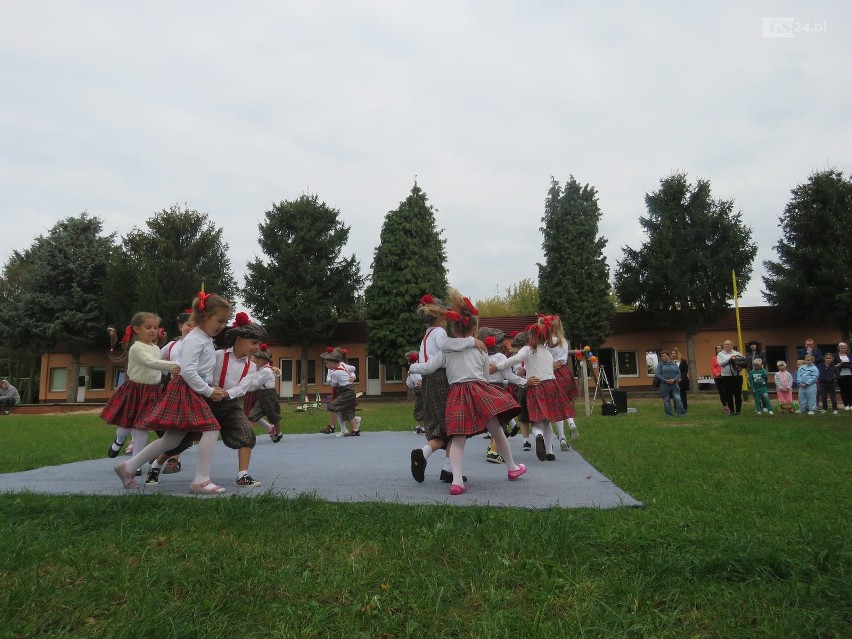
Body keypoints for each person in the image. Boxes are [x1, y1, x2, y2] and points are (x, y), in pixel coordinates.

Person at [115, 292, 231, 494]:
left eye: (225, 321)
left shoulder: (204, 339)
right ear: (204, 317)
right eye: (220, 320)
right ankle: (200, 480)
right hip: (186, 389)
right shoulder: (196, 339)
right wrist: (208, 391)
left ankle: (129, 467)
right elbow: (187, 371)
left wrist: (211, 386)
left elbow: (202, 369)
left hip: (190, 388)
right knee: (211, 429)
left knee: (173, 438)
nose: (222, 325)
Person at [438, 290, 526, 495]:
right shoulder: (481, 349)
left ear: (453, 327)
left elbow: (443, 347)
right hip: (479, 391)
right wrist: (471, 344)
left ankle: (457, 482)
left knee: (458, 440)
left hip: (457, 394)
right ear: (475, 329)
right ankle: (512, 468)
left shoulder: (447, 348)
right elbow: (485, 375)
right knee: (497, 431)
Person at [407, 294, 479, 484]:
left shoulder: (426, 336)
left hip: (428, 380)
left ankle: (439, 464)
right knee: (454, 427)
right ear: (440, 317)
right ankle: (437, 462)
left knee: (443, 428)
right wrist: (471, 341)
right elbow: (447, 346)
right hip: (441, 379)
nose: (448, 321)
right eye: (446, 318)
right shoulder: (439, 333)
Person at [101, 313, 180, 473]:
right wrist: (173, 365)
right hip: (135, 390)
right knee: (126, 426)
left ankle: (134, 463)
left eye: (155, 328)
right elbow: (150, 362)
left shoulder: (156, 348)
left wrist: (168, 375)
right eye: (148, 327)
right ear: (137, 329)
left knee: (142, 428)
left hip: (152, 392)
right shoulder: (136, 348)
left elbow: (157, 369)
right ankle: (119, 440)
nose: (153, 331)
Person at [492, 321, 572, 462]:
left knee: (536, 423)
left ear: (531, 337)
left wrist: (497, 367)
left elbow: (514, 360)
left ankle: (538, 435)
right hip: (551, 386)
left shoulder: (527, 350)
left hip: (535, 387)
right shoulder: (547, 353)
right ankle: (550, 452)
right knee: (547, 422)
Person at [541, 315, 579, 449]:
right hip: (565, 373)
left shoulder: (546, 343)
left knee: (556, 408)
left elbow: (544, 360)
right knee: (565, 402)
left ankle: (562, 437)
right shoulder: (564, 341)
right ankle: (571, 423)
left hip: (552, 374)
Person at [246, 344, 283, 441]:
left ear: (265, 360)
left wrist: (244, 385)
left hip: (269, 395)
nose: (256, 360)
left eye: (259, 358)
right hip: (261, 395)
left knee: (273, 415)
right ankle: (247, 436)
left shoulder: (266, 371)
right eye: (256, 357)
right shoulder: (261, 369)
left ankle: (278, 433)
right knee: (252, 415)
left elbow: (256, 384)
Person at [322, 347, 361, 437]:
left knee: (333, 406)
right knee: (346, 411)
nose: (326, 365)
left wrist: (352, 377)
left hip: (345, 391)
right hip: (349, 390)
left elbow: (334, 384)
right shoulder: (339, 367)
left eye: (327, 363)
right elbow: (352, 368)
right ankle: (355, 429)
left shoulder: (336, 371)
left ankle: (331, 426)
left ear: (335, 361)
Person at [716, 340, 744, 415]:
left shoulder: (737, 353)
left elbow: (742, 362)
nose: (727, 346)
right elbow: (720, 364)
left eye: (729, 345)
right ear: (723, 346)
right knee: (728, 394)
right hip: (726, 377)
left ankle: (738, 411)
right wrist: (729, 359)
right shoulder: (720, 354)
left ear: (732, 345)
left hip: (737, 376)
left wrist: (741, 366)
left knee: (737, 393)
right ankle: (731, 410)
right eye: (725, 345)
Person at [654, 351, 685, 417]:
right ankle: (669, 415)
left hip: (674, 385)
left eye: (665, 356)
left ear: (668, 356)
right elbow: (657, 374)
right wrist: (665, 380)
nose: (663, 357)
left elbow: (678, 373)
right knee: (666, 400)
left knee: (677, 399)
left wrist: (674, 379)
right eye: (662, 356)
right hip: (664, 385)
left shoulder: (674, 364)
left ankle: (681, 414)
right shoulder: (660, 365)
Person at [405, 351, 425, 434]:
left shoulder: (414, 368)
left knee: (418, 410)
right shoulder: (416, 368)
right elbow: (410, 384)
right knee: (423, 408)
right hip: (420, 390)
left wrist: (420, 383)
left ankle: (424, 427)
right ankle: (423, 426)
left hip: (420, 390)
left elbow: (412, 384)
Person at [671, 347, 690, 412]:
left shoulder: (683, 361)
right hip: (673, 381)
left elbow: (685, 371)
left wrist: (681, 378)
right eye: (672, 353)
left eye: (673, 353)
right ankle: (676, 408)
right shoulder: (671, 362)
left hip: (682, 381)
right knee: (675, 395)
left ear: (677, 354)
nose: (672, 354)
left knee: (682, 395)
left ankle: (684, 408)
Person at [835, 342, 852, 410]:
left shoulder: (850, 355)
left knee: (850, 390)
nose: (843, 349)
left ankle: (851, 404)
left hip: (850, 374)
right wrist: (837, 365)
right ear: (839, 348)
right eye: (842, 348)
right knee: (843, 390)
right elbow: (832, 366)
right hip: (841, 374)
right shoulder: (835, 356)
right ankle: (846, 404)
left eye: (845, 348)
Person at [711, 345, 727, 414]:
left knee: (725, 391)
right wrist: (716, 373)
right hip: (717, 377)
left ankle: (729, 405)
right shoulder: (714, 358)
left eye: (720, 348)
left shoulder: (725, 357)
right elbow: (713, 367)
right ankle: (724, 406)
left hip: (725, 376)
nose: (718, 349)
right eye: (717, 348)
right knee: (721, 392)